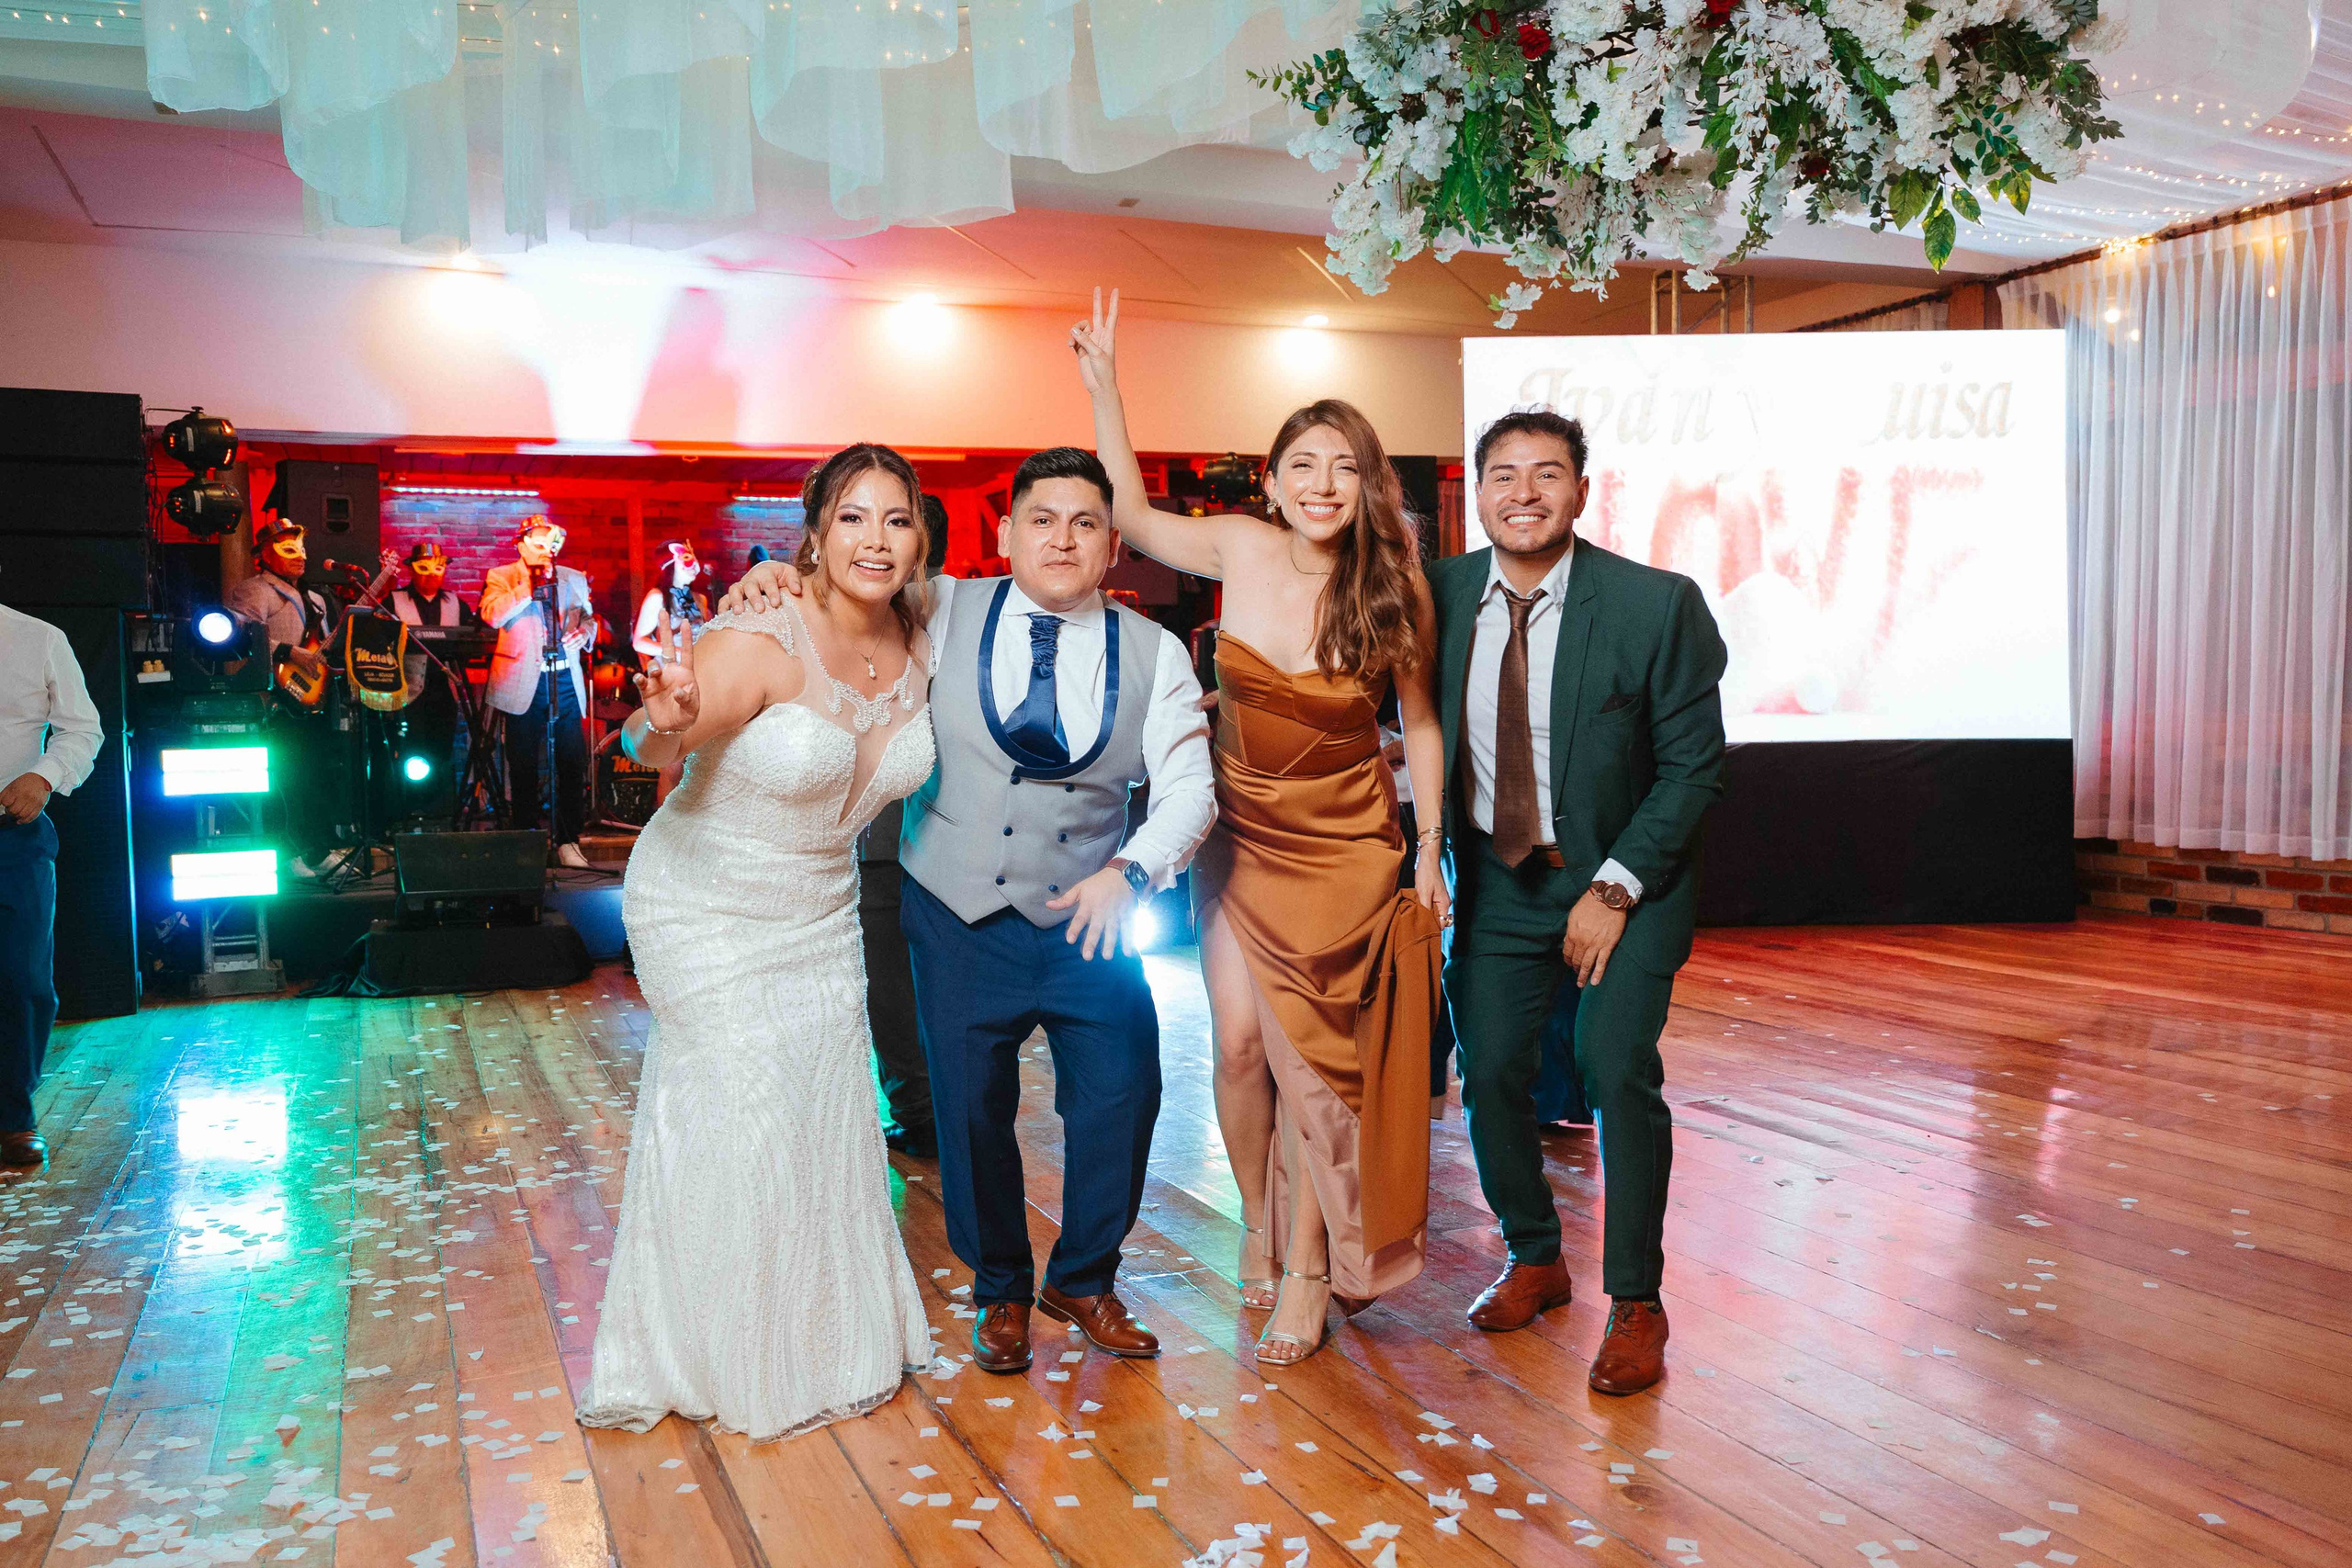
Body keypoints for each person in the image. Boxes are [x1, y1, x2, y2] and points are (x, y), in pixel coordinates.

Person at [724, 446, 1216, 1378]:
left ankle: (1085, 1278)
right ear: (1005, 533)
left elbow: (1191, 787)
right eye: (1041, 520)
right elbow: (838, 597)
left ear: (1112, 545)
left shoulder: (1157, 655)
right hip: (954, 910)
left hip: (1092, 916)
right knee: (969, 1110)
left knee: (1123, 1093)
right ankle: (1000, 1291)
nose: (1061, 539)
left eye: (1083, 523)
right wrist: (771, 577)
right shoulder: (941, 606)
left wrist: (1133, 871)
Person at [1070, 288, 1448, 1366]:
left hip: (1346, 847)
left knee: (1317, 1070)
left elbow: (1419, 724)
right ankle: (1258, 1215)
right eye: (1303, 465)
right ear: (1272, 481)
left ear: (1368, 485)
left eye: (1345, 467)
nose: (1322, 484)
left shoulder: (1395, 585)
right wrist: (1106, 389)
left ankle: (1310, 1268)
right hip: (1240, 838)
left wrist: (1429, 854)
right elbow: (1134, 517)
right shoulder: (1238, 546)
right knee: (1238, 1049)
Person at [577, 444, 939, 1441]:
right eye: (852, 517)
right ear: (815, 532)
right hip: (704, 902)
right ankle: (718, 1350)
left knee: (819, 1113)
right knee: (743, 1110)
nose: (875, 539)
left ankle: (823, 1335)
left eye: (896, 519)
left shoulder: (929, 632)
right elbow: (649, 741)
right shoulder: (761, 635)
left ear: (920, 540)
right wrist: (659, 723)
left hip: (819, 909)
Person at [1432, 410, 1726, 1395]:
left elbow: (1693, 769)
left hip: (1626, 882)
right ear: (1478, 493)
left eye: (1547, 473)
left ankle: (1636, 1300)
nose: (1524, 492)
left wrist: (1612, 887)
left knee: (1611, 1066)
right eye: (1503, 474)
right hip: (1495, 881)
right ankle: (1535, 1256)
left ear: (1582, 492)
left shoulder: (1655, 605)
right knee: (1488, 1073)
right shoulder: (1437, 597)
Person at [0, 597, 101, 1171]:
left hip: (12, 834)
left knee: (23, 980)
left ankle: (14, 1118)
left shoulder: (38, 637)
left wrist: (43, 776)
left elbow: (82, 730)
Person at [226, 517, 347, 879]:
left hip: (313, 698)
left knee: (316, 776)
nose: (300, 556)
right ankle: (286, 853)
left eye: (302, 549)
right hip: (275, 700)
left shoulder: (315, 598)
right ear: (264, 554)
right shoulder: (254, 590)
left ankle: (317, 849)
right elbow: (240, 634)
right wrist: (287, 651)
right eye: (288, 549)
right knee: (284, 779)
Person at [480, 516, 595, 866]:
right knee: (523, 763)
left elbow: (589, 618)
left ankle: (568, 841)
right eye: (538, 542)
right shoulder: (502, 576)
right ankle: (528, 841)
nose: (547, 549)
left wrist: (584, 634)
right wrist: (530, 585)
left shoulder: (573, 577)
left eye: (551, 542)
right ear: (521, 545)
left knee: (572, 761)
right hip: (523, 679)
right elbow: (491, 615)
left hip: (564, 677)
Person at [630, 543, 712, 805]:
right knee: (674, 760)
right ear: (671, 563)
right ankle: (663, 823)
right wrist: (674, 650)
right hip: (671, 681)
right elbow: (639, 641)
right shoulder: (657, 597)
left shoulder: (700, 599)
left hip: (702, 677)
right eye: (687, 558)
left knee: (702, 757)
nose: (695, 564)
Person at [390, 540, 474, 628]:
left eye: (438, 568)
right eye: (424, 568)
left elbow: (471, 633)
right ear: (411, 571)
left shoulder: (457, 604)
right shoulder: (393, 601)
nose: (432, 574)